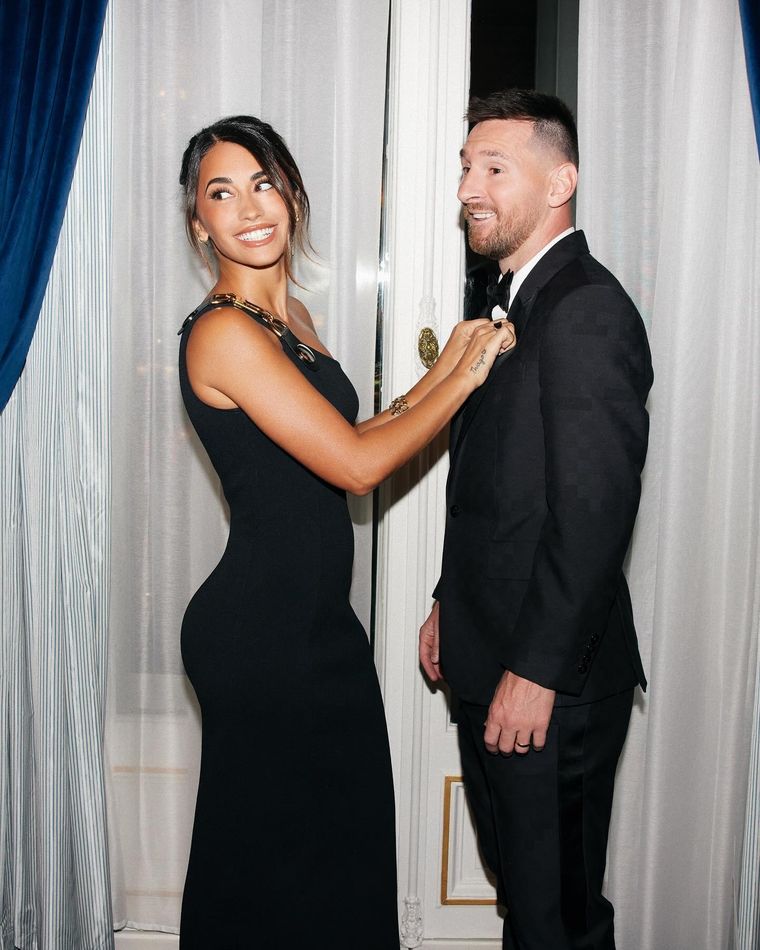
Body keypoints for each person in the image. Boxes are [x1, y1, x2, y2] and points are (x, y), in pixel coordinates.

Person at [176, 115, 514, 949]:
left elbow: (352, 436)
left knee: (336, 851)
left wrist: (446, 365)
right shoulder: (223, 332)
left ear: (292, 195)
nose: (249, 207)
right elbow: (359, 469)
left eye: (264, 183)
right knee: (272, 867)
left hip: (316, 628)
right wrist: (466, 379)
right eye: (222, 193)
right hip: (259, 637)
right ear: (200, 224)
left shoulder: (289, 319)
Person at [419, 89, 653, 950]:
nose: (467, 189)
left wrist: (535, 672)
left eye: (493, 168)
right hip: (492, 654)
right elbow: (501, 489)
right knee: (526, 899)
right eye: (464, 169)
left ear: (561, 183)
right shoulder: (513, 301)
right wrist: (448, 602)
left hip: (550, 683)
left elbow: (593, 512)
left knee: (558, 919)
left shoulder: (585, 307)